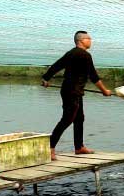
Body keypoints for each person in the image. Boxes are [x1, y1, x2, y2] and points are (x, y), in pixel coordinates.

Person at [41, 31, 112, 161]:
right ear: (81, 40)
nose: (91, 40)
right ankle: (50, 147)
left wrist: (46, 78)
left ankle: (79, 147)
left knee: (79, 118)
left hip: (71, 90)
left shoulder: (70, 53)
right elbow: (93, 76)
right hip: (72, 92)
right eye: (88, 38)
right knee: (67, 119)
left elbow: (57, 65)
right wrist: (104, 90)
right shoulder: (85, 55)